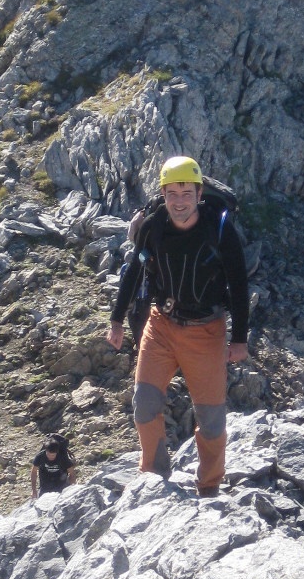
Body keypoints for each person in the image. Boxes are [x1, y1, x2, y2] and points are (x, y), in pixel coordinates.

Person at [106, 156, 249, 497]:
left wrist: (240, 339)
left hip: (206, 331)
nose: (179, 201)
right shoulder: (154, 225)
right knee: (144, 404)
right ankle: (154, 475)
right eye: (172, 193)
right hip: (161, 325)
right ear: (164, 195)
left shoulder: (219, 228)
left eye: (186, 192)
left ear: (199, 193)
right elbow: (134, 271)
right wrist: (116, 319)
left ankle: (210, 485)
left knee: (211, 418)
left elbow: (239, 284)